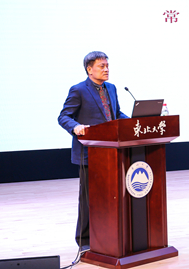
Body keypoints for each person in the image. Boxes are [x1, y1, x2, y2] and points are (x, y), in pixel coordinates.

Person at [58, 51, 129, 251]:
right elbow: (63, 116)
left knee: (112, 197)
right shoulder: (79, 90)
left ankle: (109, 236)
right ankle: (84, 241)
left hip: (113, 152)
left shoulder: (111, 88)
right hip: (90, 153)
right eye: (101, 66)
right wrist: (75, 126)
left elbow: (115, 114)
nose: (106, 69)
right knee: (88, 200)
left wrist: (133, 121)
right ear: (89, 69)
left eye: (107, 66)